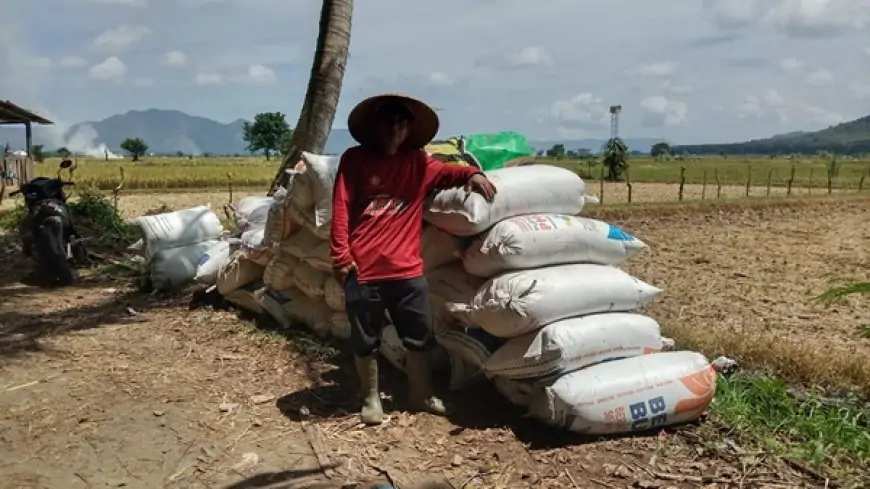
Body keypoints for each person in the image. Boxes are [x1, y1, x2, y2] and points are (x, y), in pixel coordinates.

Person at [331, 93, 497, 425]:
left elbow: (448, 172)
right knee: (366, 338)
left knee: (419, 334)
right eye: (388, 122)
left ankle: (420, 394)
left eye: (401, 123)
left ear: (408, 129)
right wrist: (340, 255)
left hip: (407, 271)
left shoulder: (419, 163)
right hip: (364, 269)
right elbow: (340, 207)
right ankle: (370, 399)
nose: (394, 129)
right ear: (375, 127)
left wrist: (471, 175)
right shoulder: (355, 160)